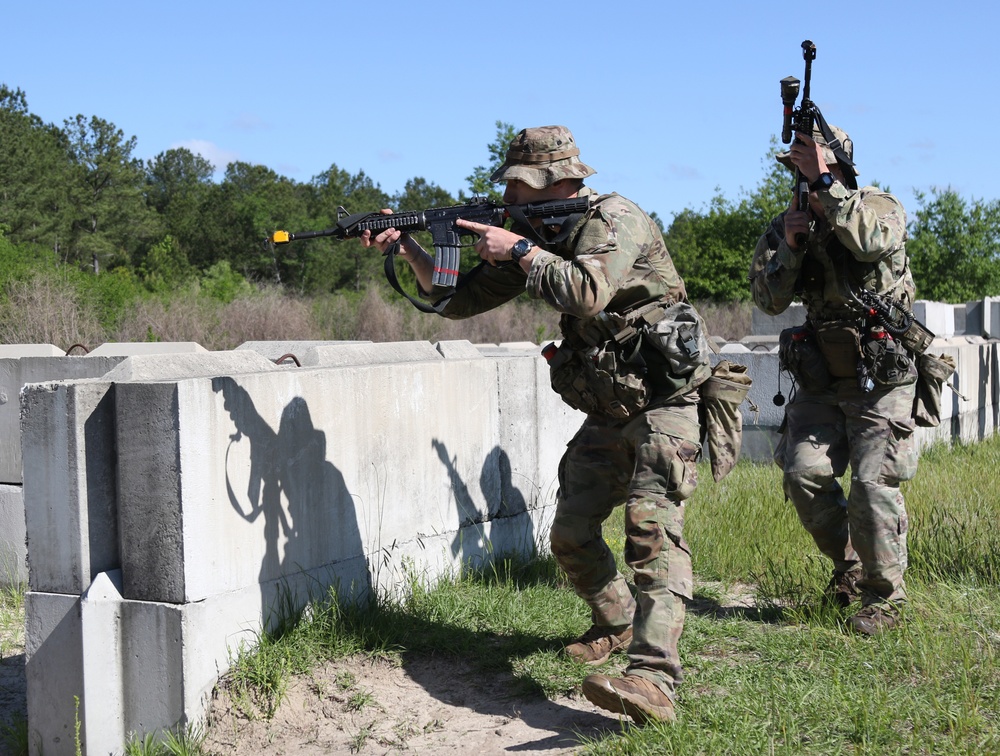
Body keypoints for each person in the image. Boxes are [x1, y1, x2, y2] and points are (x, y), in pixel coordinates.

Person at [361, 125, 712, 724]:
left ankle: (653, 679)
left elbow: (588, 292)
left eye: (517, 188)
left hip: (666, 397)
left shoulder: (614, 217)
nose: (511, 199)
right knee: (571, 533)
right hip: (610, 403)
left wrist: (520, 250)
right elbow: (457, 299)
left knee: (651, 531)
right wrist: (411, 248)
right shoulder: (532, 233)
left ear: (550, 181)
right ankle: (617, 622)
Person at [748, 124, 918, 635]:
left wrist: (825, 188)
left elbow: (869, 244)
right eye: (797, 170)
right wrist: (794, 246)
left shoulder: (877, 206)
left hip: (879, 375)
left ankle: (885, 598)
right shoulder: (788, 224)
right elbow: (767, 299)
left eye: (811, 167)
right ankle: (850, 570)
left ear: (835, 166)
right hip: (821, 375)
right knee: (803, 473)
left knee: (872, 484)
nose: (799, 177)